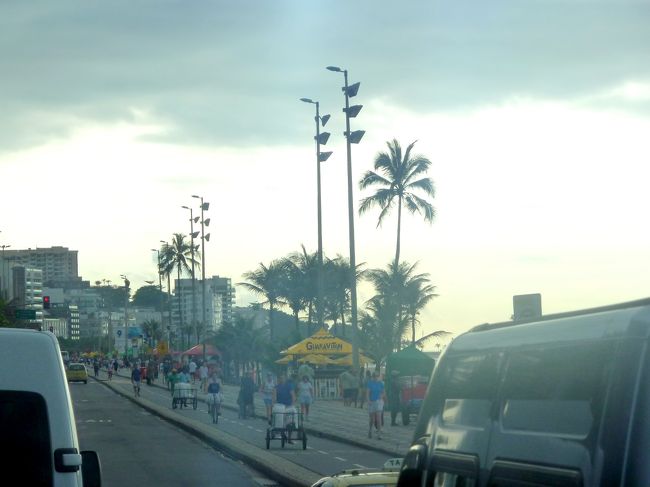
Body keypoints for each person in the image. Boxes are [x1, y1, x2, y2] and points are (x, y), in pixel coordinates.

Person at [366, 371, 385, 439]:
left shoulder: (381, 383)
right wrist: (368, 400)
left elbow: (383, 392)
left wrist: (381, 396)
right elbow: (367, 393)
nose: (376, 377)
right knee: (372, 419)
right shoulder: (370, 383)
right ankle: (370, 430)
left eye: (377, 376)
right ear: (372, 377)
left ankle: (379, 434)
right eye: (374, 376)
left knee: (378, 418)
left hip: (379, 402)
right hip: (372, 402)